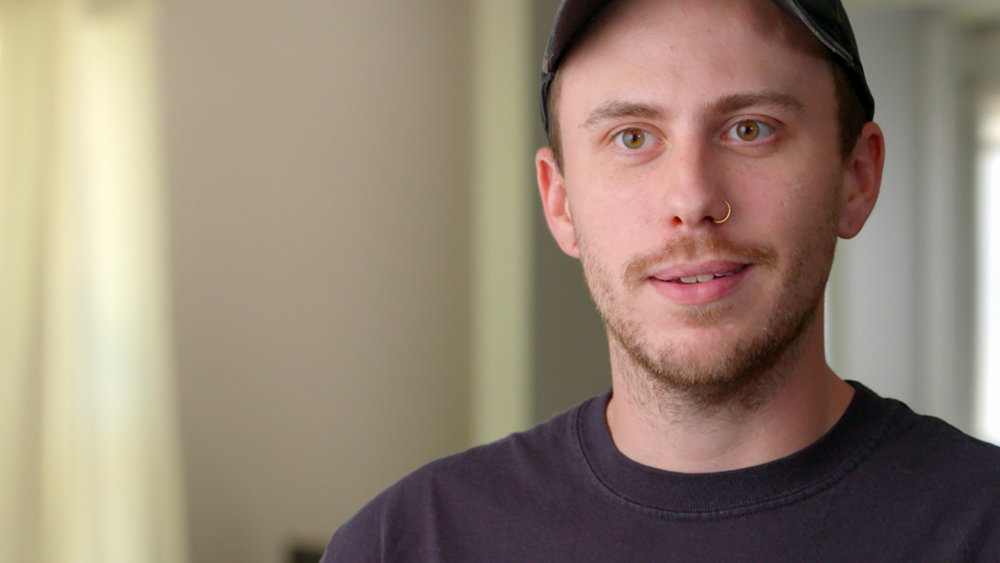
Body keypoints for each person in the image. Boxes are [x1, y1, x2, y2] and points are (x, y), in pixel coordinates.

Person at [323, 0, 1000, 560]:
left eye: (751, 129)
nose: (692, 199)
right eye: (632, 137)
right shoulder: (405, 543)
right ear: (559, 203)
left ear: (857, 177)